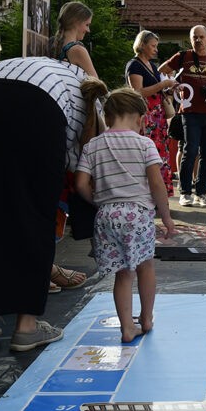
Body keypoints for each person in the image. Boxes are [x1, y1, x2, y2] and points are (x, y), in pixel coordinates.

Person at [0, 57, 103, 352]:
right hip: (34, 105)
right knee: (38, 217)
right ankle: (27, 326)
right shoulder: (90, 106)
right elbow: (81, 172)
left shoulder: (60, 73)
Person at [75, 87, 176, 343]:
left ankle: (127, 328)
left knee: (122, 273)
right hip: (137, 215)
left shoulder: (93, 145)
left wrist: (98, 201)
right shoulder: (144, 144)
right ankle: (146, 318)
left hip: (106, 215)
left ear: (107, 117)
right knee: (145, 267)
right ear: (140, 119)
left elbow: (80, 184)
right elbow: (156, 184)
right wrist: (166, 217)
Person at [160, 25, 206, 207]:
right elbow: (162, 70)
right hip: (190, 112)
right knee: (190, 151)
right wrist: (173, 84)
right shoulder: (183, 56)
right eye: (195, 37)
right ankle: (185, 192)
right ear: (190, 39)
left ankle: (201, 193)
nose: (198, 40)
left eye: (201, 37)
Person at [125, 30, 176, 196]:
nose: (156, 49)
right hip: (144, 116)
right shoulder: (134, 65)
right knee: (146, 154)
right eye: (153, 46)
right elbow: (138, 91)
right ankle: (145, 193)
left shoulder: (152, 66)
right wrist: (162, 85)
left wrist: (169, 88)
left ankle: (159, 193)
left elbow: (158, 89)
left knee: (158, 154)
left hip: (157, 118)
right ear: (142, 45)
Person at [50, 2, 100, 78]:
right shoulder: (78, 50)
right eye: (87, 25)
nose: (88, 30)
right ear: (76, 22)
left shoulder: (51, 43)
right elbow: (95, 82)